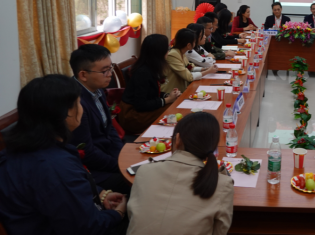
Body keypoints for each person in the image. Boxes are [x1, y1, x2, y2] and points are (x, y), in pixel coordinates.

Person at [0, 75, 127, 234]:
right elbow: (88, 227)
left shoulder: (21, 148)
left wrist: (101, 194)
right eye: (79, 103)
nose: (82, 108)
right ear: (65, 113)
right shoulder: (54, 165)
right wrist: (119, 214)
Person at [127, 112, 234, 235]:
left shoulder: (144, 171)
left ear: (177, 139)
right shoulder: (223, 185)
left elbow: (134, 219)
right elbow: (220, 231)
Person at [69, 44, 130, 195]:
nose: (110, 74)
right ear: (83, 75)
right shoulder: (74, 103)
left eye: (111, 68)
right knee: (142, 180)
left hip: (108, 156)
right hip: (92, 170)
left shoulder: (97, 90)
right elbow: (87, 152)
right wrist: (118, 165)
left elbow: (110, 128)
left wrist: (122, 156)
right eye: (105, 71)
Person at [119, 34, 181, 135]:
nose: (168, 51)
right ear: (159, 52)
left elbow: (150, 93)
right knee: (173, 110)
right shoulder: (143, 72)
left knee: (174, 107)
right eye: (167, 48)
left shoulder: (150, 67)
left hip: (140, 111)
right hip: (132, 116)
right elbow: (141, 105)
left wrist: (167, 95)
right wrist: (167, 100)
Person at [163, 29, 217, 93]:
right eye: (194, 42)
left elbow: (191, 67)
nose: (195, 44)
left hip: (180, 90)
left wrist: (205, 68)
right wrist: (208, 71)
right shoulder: (173, 55)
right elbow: (189, 77)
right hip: (170, 92)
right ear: (188, 45)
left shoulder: (181, 52)